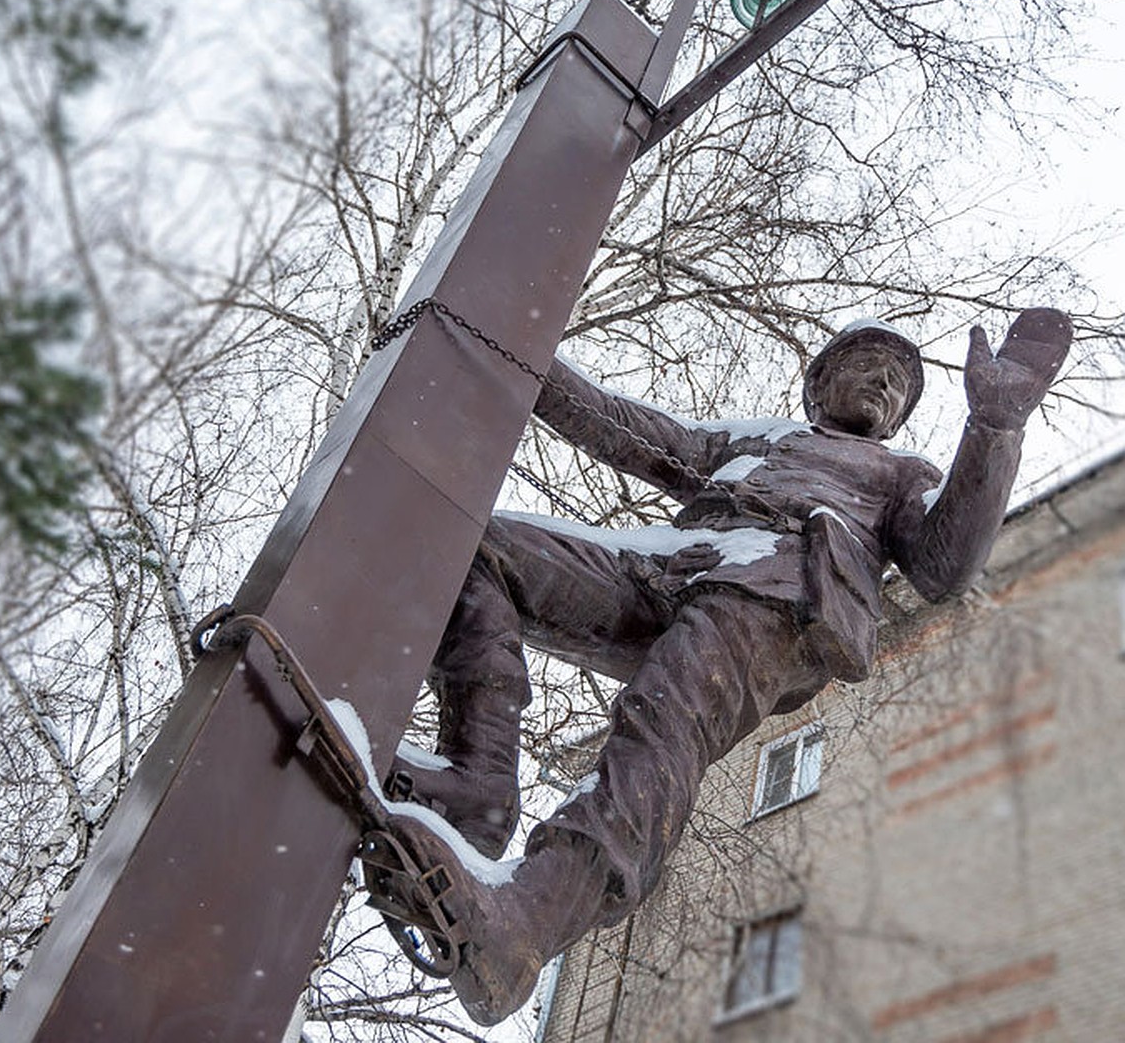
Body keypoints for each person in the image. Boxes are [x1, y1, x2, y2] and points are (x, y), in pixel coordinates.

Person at [364, 308, 1072, 1027]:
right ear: (818, 383)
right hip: (667, 571)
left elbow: (944, 566)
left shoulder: (898, 475)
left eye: (901, 385)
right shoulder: (755, 440)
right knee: (475, 547)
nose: (886, 380)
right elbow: (628, 428)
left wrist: (995, 427)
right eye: (868, 362)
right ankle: (477, 785)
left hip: (775, 601)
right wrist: (517, 353)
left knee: (659, 730)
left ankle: (527, 923)